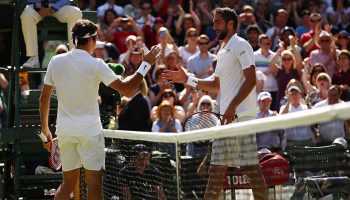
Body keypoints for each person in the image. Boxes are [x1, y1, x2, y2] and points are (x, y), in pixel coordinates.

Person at [39, 19, 161, 200]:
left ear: (74, 39)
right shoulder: (96, 64)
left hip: (65, 131)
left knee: (67, 183)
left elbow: (44, 98)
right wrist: (146, 64)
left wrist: (45, 130)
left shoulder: (55, 61)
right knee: (94, 185)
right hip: (89, 133)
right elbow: (127, 88)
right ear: (93, 40)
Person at [161, 7, 268, 200]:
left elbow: (251, 79)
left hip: (241, 119)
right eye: (214, 22)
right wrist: (188, 79)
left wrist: (233, 107)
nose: (214, 26)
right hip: (228, 120)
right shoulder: (223, 50)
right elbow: (215, 84)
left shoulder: (241, 44)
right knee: (216, 172)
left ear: (230, 24)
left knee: (251, 170)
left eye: (218, 22)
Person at [21, 0, 82, 68]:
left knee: (75, 12)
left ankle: (74, 57)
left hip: (58, 7)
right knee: (27, 14)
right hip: (37, 7)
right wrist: (38, 5)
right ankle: (33, 58)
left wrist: (53, 8)